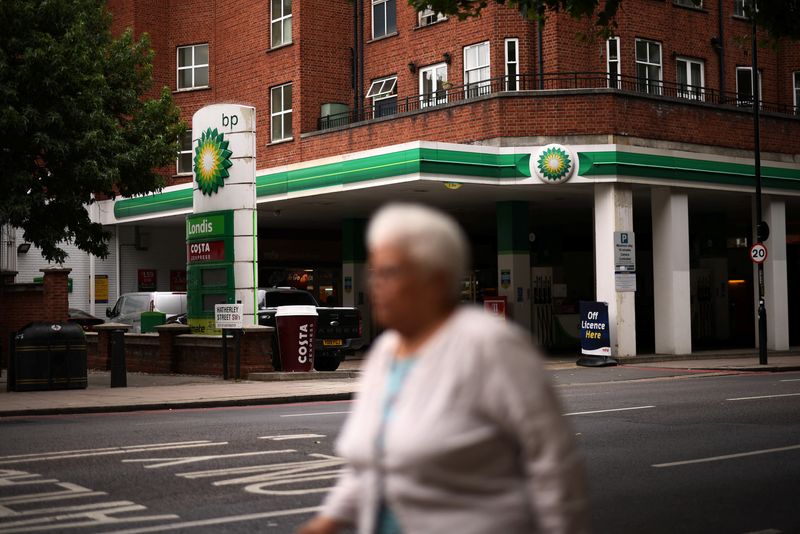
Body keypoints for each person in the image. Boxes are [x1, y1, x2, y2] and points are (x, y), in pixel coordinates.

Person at [298, 203, 588, 534]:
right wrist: (327, 521)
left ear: (435, 280)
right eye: (373, 272)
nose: (375, 285)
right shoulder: (385, 352)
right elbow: (370, 468)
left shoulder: (490, 346)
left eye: (389, 272)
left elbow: (555, 467)